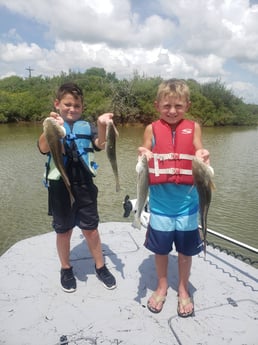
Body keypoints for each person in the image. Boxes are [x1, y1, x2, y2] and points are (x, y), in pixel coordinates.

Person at [138, 79, 210, 317]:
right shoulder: (151, 128)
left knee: (185, 252)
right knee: (160, 250)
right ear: (157, 105)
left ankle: (182, 288)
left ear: (187, 105)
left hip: (188, 205)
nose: (172, 111)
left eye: (178, 106)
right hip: (159, 204)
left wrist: (202, 153)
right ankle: (161, 285)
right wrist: (144, 153)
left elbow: (199, 149)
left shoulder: (194, 127)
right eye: (167, 106)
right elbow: (145, 151)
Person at [38, 82, 116, 293]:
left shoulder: (86, 126)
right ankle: (66, 268)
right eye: (67, 104)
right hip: (59, 186)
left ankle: (100, 267)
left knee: (90, 229)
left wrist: (101, 124)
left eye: (77, 106)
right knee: (63, 231)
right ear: (58, 104)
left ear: (82, 107)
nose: (72, 109)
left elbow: (100, 144)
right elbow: (43, 148)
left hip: (84, 184)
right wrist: (53, 125)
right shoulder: (51, 124)